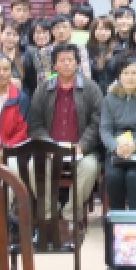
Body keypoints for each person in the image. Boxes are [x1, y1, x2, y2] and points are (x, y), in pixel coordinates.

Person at [29, 43, 103, 221]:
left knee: (90, 167)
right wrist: (48, 145)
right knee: (33, 166)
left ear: (77, 63)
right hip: (50, 149)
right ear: (55, 65)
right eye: (62, 60)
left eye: (70, 60)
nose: (67, 64)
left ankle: (71, 213)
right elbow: (36, 124)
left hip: (82, 150)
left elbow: (97, 122)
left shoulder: (91, 88)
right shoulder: (43, 89)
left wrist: (82, 146)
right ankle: (49, 213)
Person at [100, 55, 136, 211]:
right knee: (114, 177)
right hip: (116, 151)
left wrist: (135, 145)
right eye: (125, 73)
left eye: (134, 73)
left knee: (132, 177)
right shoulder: (110, 98)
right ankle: (117, 219)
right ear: (119, 76)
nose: (130, 77)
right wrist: (115, 147)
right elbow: (105, 130)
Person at [87, 15, 117, 94]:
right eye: (100, 29)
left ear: (112, 31)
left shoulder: (118, 50)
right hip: (91, 92)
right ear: (93, 31)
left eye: (107, 29)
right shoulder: (86, 50)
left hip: (113, 93)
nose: (103, 33)